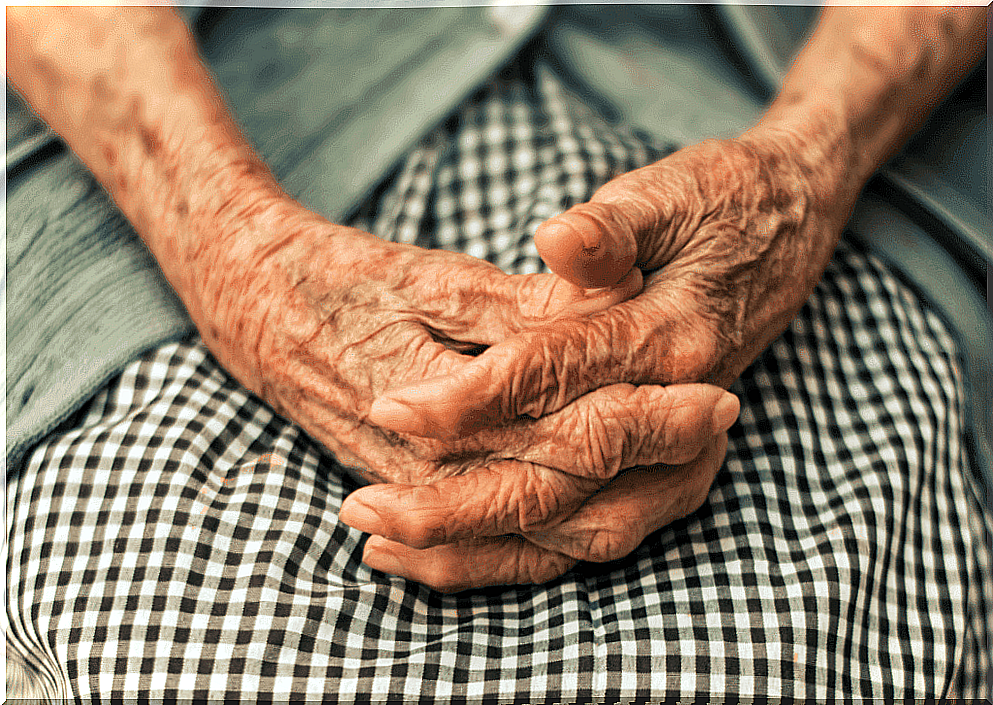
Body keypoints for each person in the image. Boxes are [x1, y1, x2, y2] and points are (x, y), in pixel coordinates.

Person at [6, 4, 991, 698]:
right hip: (184, 139)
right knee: (192, 656)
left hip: (777, 116)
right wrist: (235, 248)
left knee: (809, 654)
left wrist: (810, 166)